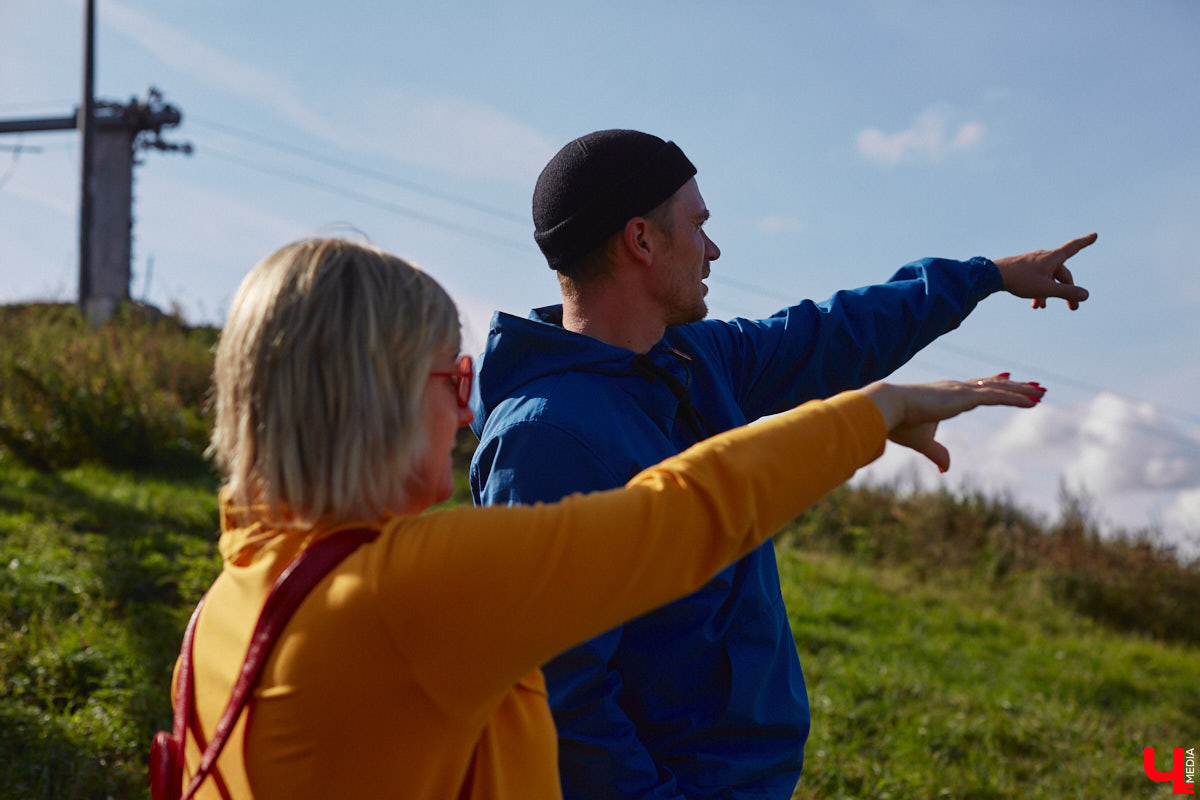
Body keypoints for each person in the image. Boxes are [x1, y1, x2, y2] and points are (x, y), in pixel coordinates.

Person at [173, 236, 1040, 799]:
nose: (466, 412)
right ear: (374, 398)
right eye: (453, 380)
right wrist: (877, 410)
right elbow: (683, 516)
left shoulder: (225, 609)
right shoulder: (407, 586)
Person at [468, 129, 1097, 799]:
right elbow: (560, 696)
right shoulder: (545, 438)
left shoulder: (693, 359)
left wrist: (986, 277)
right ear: (642, 241)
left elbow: (829, 333)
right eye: (698, 225)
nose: (713, 249)